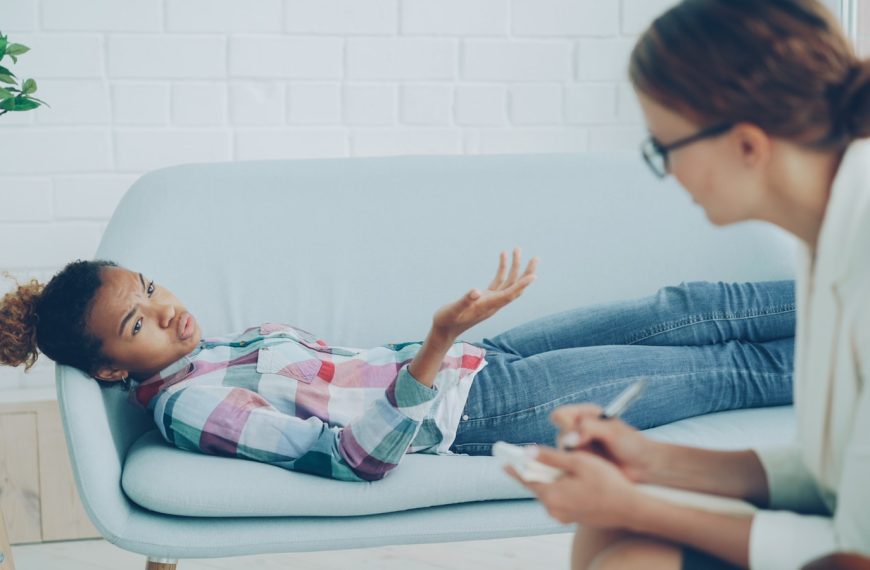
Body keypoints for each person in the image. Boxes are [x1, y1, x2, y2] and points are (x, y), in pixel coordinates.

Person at [508, 0, 870, 568]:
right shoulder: (824, 235)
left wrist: (636, 504)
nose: (667, 172)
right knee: (607, 526)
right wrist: (649, 461)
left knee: (633, 551)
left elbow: (857, 549)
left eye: (665, 146)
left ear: (748, 145)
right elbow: (834, 478)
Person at [0, 250, 793, 483]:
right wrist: (439, 344)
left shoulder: (207, 351)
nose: (167, 307)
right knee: (728, 366)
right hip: (477, 408)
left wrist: (449, 343)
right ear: (110, 372)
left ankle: (847, 290)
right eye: (139, 321)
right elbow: (353, 459)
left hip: (478, 360)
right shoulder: (190, 407)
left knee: (679, 307)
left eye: (149, 286)